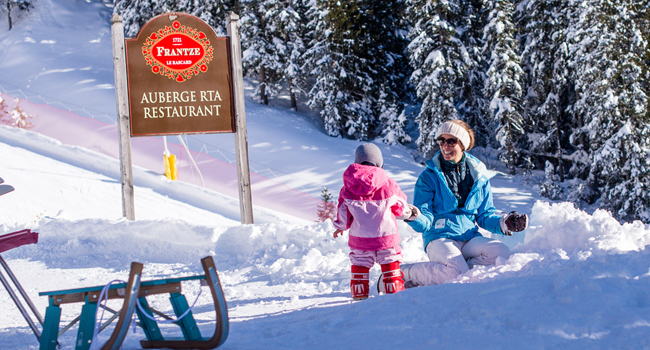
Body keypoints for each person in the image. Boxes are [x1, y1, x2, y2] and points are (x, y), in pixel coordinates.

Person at [400, 120, 528, 287]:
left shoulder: (479, 177)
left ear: (463, 145)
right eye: (442, 141)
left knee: (501, 254)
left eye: (451, 141)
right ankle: (402, 273)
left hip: (469, 238)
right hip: (440, 237)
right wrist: (413, 215)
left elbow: (484, 215)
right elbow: (425, 217)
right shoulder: (428, 177)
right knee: (457, 272)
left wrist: (504, 223)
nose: (445, 146)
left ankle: (443, 273)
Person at [333, 143, 412, 300]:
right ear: (379, 162)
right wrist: (408, 212)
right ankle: (394, 292)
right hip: (386, 237)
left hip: (360, 238)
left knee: (360, 263)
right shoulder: (388, 184)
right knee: (390, 262)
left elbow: (343, 210)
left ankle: (359, 293)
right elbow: (400, 206)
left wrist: (341, 226)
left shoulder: (348, 186)